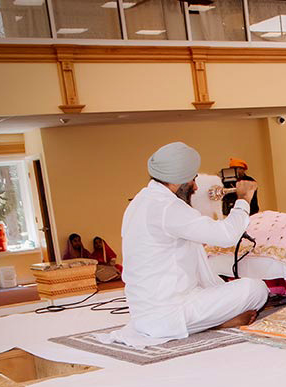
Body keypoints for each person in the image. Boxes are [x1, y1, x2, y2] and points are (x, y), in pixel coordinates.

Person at [115, 141, 270, 344]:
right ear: (179, 180)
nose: (196, 187)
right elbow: (227, 235)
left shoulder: (140, 201)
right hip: (168, 313)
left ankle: (213, 321)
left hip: (143, 314)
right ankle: (216, 323)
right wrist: (244, 199)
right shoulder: (167, 207)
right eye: (193, 180)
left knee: (221, 288)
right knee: (256, 289)